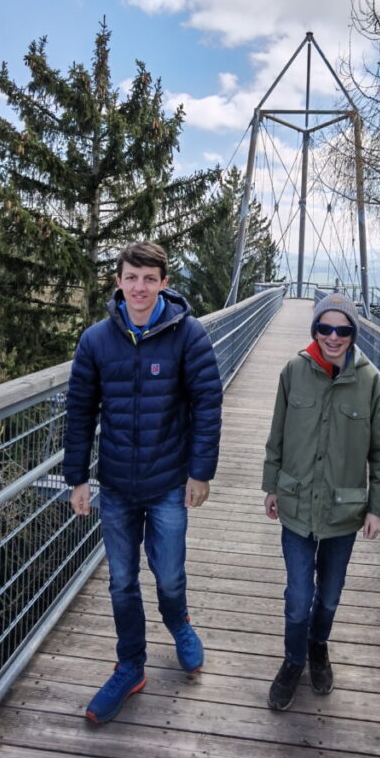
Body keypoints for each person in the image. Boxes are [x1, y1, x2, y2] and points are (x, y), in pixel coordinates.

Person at [63, 240, 223, 724]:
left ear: (164, 284)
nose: (139, 287)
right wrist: (77, 478)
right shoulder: (95, 341)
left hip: (170, 481)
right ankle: (131, 664)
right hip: (115, 485)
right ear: (118, 281)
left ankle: (179, 623)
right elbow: (80, 412)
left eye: (149, 279)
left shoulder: (188, 335)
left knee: (169, 575)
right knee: (121, 583)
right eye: (131, 277)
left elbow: (207, 405)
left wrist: (201, 472)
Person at [262, 293, 380, 711]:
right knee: (298, 596)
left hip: (344, 510)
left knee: (330, 595)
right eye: (325, 328)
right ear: (314, 329)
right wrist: (270, 486)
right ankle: (293, 659)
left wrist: (378, 506)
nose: (333, 337)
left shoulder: (370, 381)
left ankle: (318, 647)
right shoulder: (292, 372)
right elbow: (276, 436)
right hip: (297, 505)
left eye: (343, 329)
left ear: (353, 334)